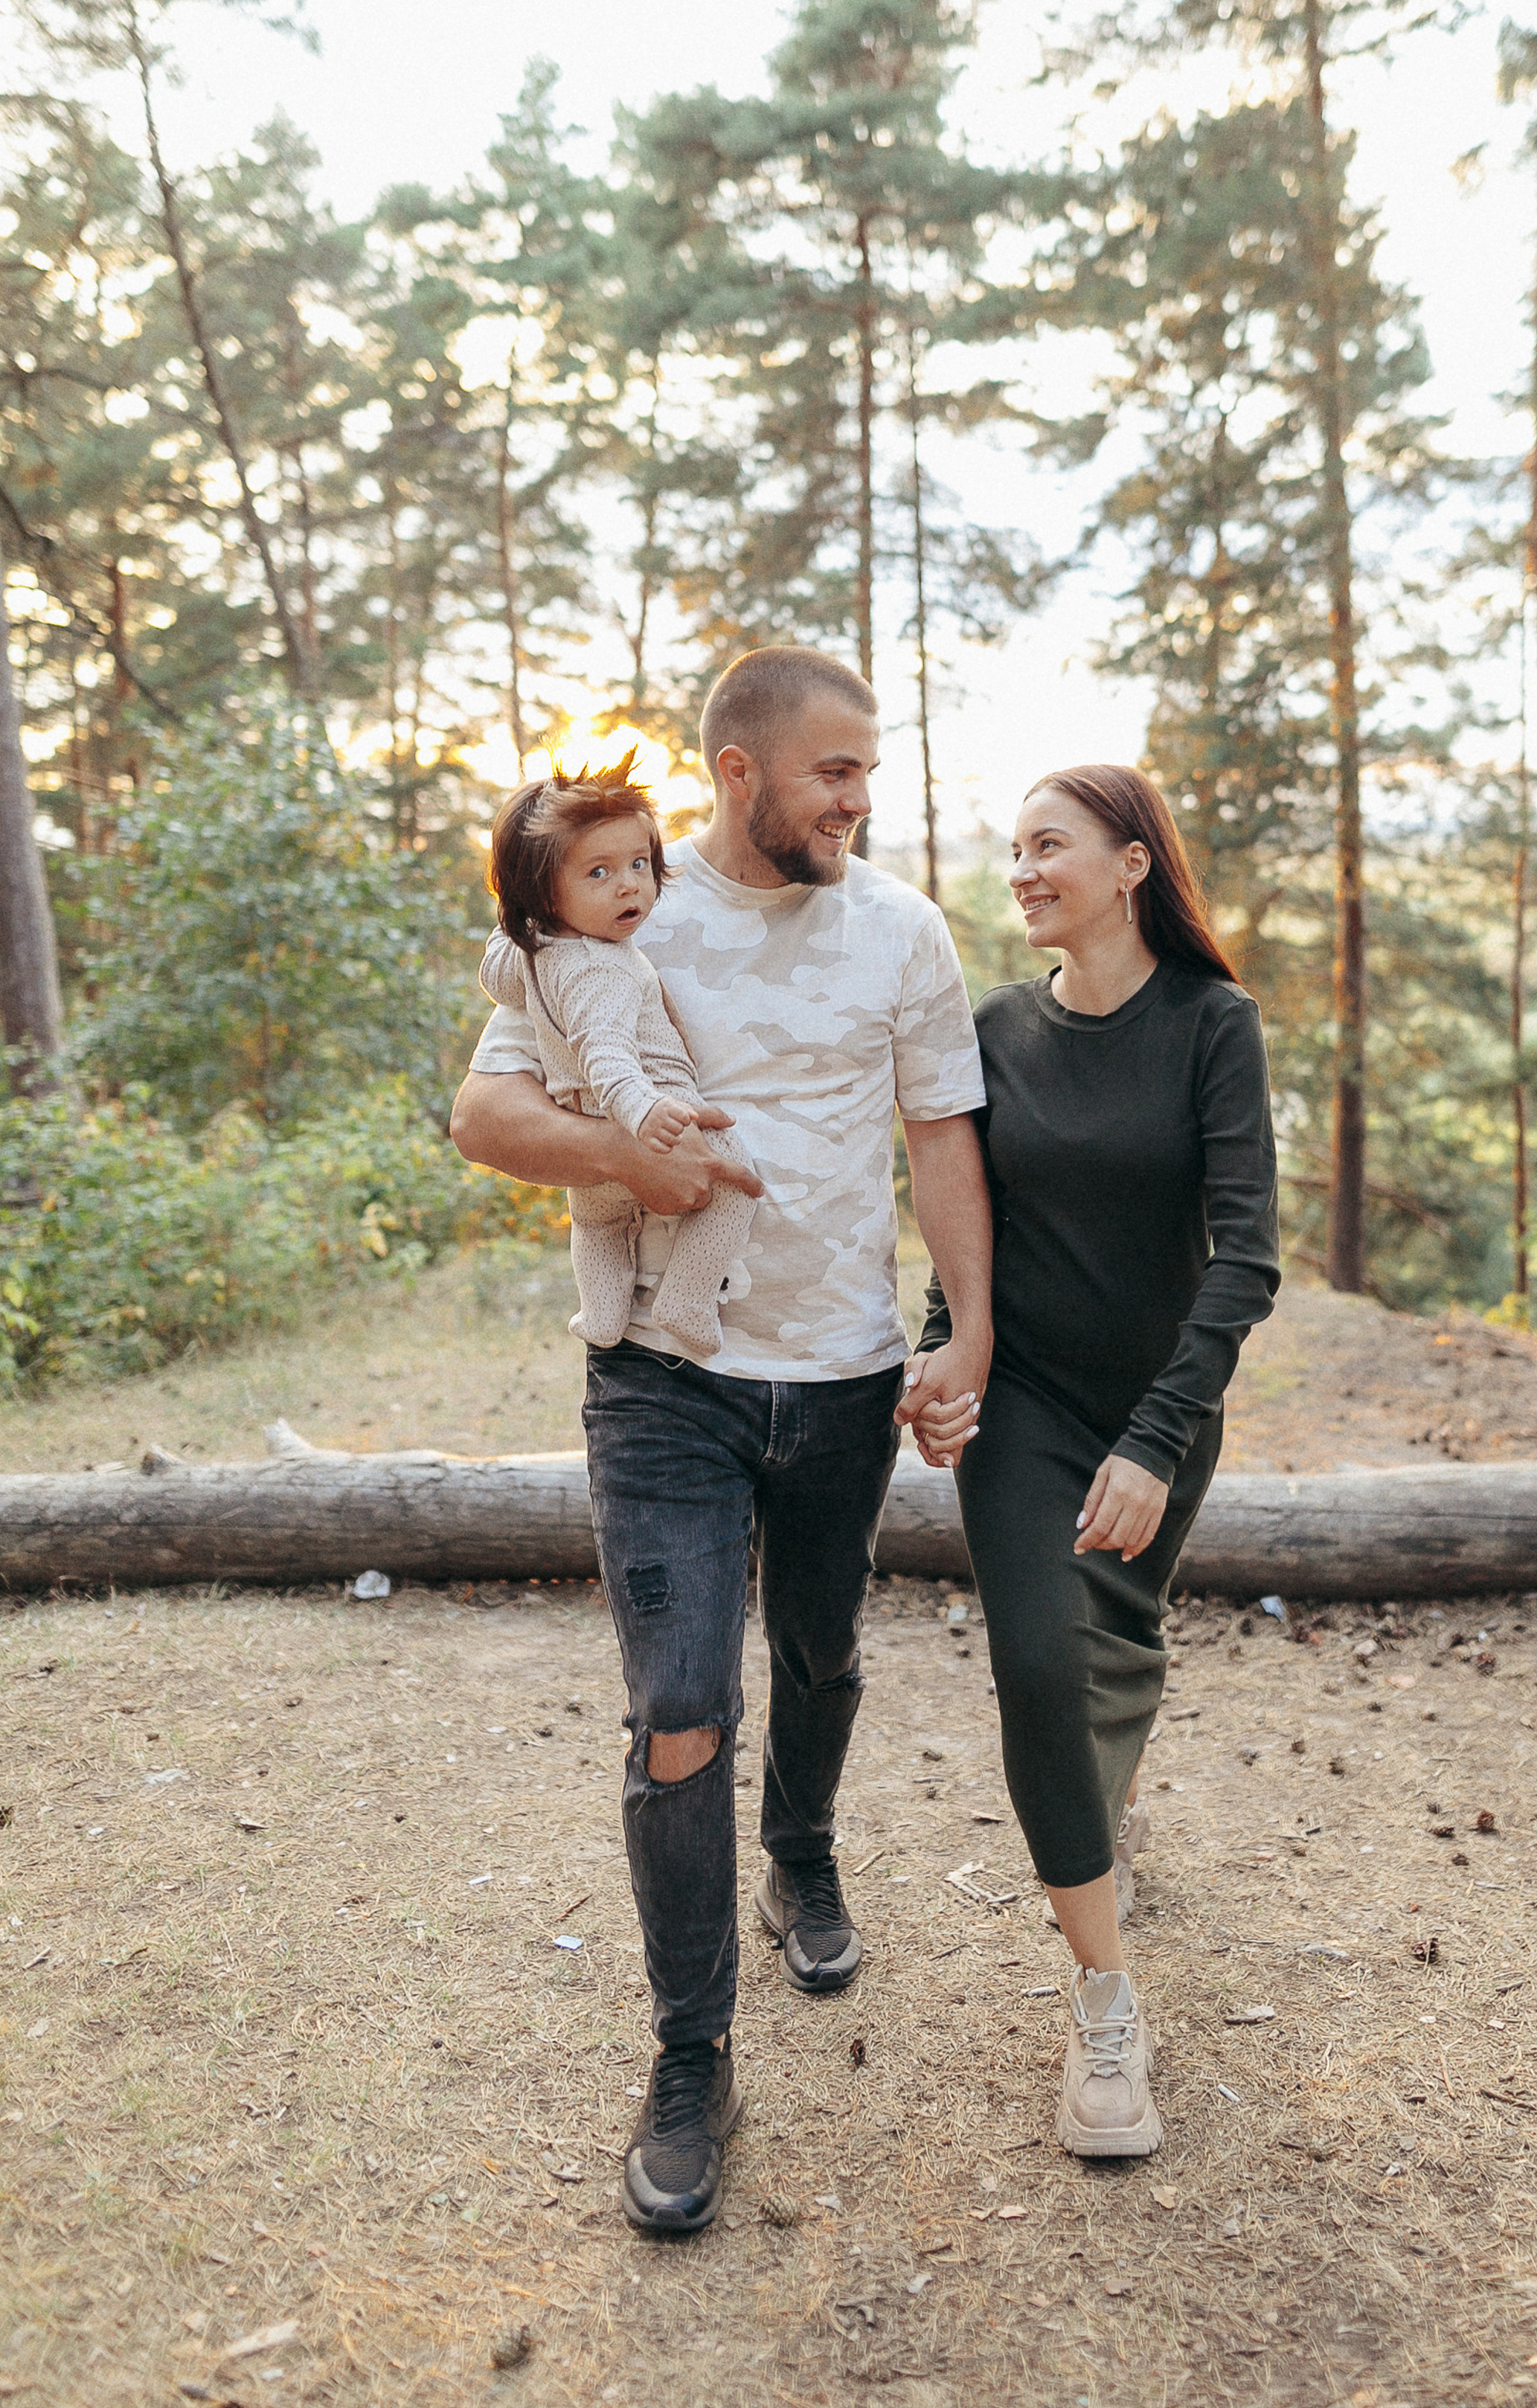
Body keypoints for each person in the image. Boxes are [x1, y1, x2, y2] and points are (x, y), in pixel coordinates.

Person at [449, 649, 992, 2238]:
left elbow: (940, 1136)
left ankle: (800, 1854)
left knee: (819, 1654)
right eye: (834, 769)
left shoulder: (902, 928)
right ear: (739, 772)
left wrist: (968, 1329)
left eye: (866, 769)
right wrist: (644, 1164)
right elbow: (485, 1118)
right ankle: (692, 2059)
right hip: (662, 1377)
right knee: (680, 1706)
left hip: (842, 1373)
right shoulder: (614, 911)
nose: (858, 797)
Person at [909, 764, 1279, 2159]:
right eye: (1012, 849)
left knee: (1112, 1638)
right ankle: (1107, 2006)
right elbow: (966, 1224)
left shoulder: (1211, 1025)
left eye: (1048, 845)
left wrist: (1155, 1437)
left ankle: (1097, 1803)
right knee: (1039, 1661)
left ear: (1132, 865)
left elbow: (1245, 1259)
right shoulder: (994, 1031)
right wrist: (943, 1354)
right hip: (1023, 1406)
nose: (1021, 870)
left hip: (1159, 1414)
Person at [478, 754, 757, 1358]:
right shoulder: (600, 967)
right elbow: (607, 1055)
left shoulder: (536, 954)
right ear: (545, 893)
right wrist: (644, 1113)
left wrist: (520, 918)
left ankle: (602, 1316)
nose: (630, 885)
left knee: (600, 1223)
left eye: (638, 864)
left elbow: (495, 976)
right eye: (598, 873)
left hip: (580, 1123)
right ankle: (687, 1298)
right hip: (649, 1104)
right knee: (733, 1178)